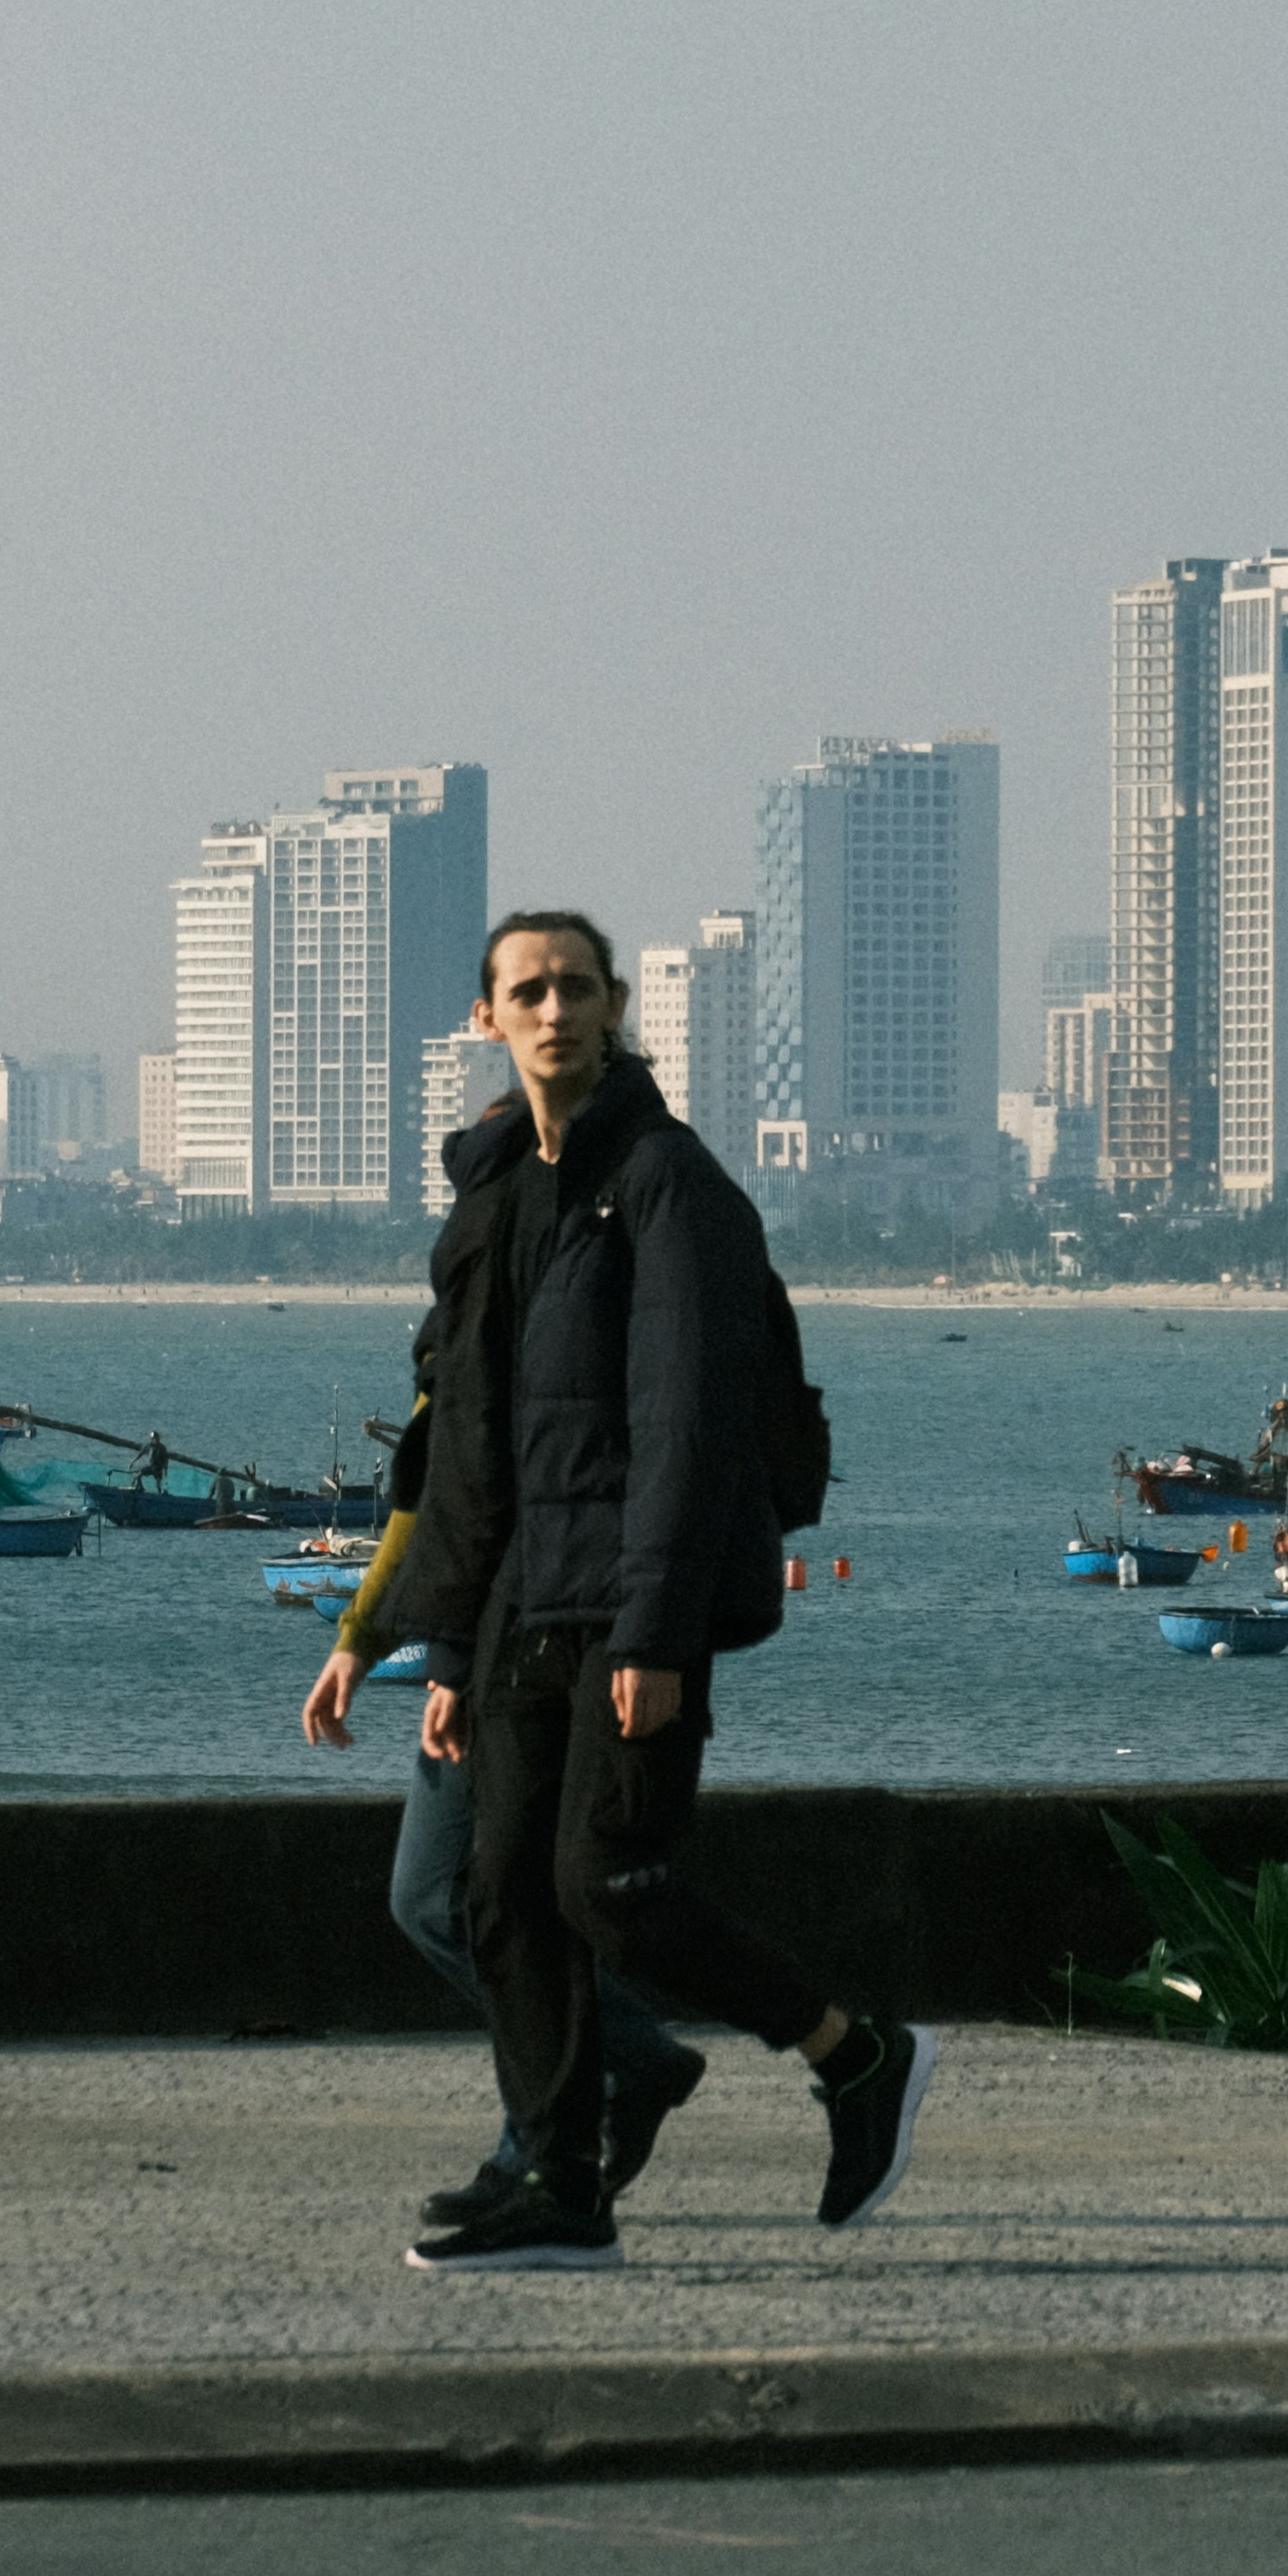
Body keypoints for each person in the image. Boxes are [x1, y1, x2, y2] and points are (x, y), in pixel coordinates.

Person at [348, 905, 932, 2275]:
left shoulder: (669, 1182)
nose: (554, 1010)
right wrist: (438, 1651)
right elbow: (469, 1442)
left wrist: (657, 1627)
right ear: (486, 1019)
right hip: (510, 1615)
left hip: (621, 1610)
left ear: (613, 1006)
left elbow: (688, 1422)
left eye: (577, 987)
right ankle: (560, 2182)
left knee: (607, 1886)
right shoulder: (497, 1191)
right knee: (499, 1899)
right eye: (526, 991)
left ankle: (854, 2056)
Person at [301, 1425, 708, 2224]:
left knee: (469, 1899)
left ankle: (557, 2123)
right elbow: (440, 1501)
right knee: (463, 1899)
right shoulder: (466, 1322)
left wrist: (392, 1642)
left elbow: (468, 1501)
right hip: (491, 1640)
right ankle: (602, 2080)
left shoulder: (496, 1317)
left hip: (520, 1644)